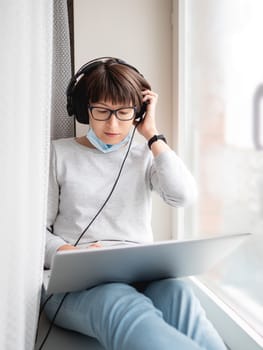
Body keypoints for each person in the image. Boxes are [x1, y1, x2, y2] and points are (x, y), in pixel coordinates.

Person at [43, 57, 226, 350]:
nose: (113, 124)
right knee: (119, 299)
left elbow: (183, 196)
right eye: (102, 112)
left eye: (125, 113)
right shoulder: (57, 154)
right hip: (74, 288)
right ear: (83, 109)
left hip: (140, 279)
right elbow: (35, 232)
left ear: (138, 113)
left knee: (177, 290)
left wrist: (153, 135)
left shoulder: (146, 155)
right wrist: (69, 253)